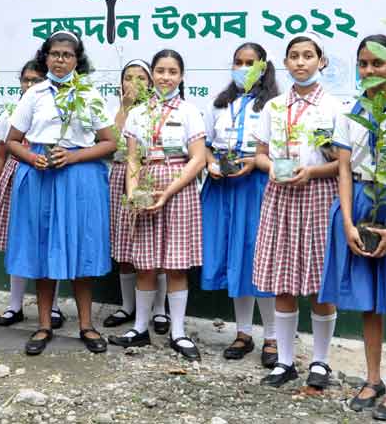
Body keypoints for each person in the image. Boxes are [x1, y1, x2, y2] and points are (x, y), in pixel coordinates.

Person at [319, 35, 386, 419]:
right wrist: (347, 223)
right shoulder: (351, 113)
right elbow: (345, 172)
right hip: (362, 201)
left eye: (378, 64)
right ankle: (372, 378)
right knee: (367, 301)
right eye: (363, 63)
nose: (369, 71)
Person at [3, 31, 116, 355]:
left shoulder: (89, 95)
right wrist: (31, 157)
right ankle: (43, 325)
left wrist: (74, 155)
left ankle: (86, 325)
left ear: (77, 59)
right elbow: (12, 141)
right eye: (55, 54)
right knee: (43, 249)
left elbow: (109, 142)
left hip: (79, 177)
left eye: (67, 55)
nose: (61, 60)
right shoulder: (35, 94)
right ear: (46, 57)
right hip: (41, 177)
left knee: (80, 250)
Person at [253, 34, 342, 388]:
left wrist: (314, 171)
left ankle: (320, 361)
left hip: (319, 195)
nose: (301, 62)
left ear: (322, 61)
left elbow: (344, 164)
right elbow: (260, 153)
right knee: (283, 281)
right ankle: (285, 361)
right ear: (286, 63)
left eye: (308, 56)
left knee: (320, 284)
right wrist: (269, 166)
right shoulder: (274, 107)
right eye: (294, 56)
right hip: (280, 196)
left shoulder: (336, 107)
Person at [109, 49, 207, 360]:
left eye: (172, 72)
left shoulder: (189, 111)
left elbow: (198, 158)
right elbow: (133, 159)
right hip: (146, 188)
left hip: (179, 189)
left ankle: (178, 331)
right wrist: (135, 194)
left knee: (177, 265)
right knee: (145, 262)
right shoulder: (138, 114)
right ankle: (139, 328)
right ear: (152, 75)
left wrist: (168, 192)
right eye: (160, 71)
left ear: (181, 76)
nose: (166, 77)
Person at [200, 43, 280, 367]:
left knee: (259, 259)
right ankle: (244, 333)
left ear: (263, 67)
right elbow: (203, 146)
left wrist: (255, 162)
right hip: (223, 188)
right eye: (238, 62)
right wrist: (211, 164)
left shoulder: (275, 106)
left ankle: (273, 337)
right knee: (235, 258)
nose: (243, 68)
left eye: (250, 63)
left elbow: (282, 151)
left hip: (256, 186)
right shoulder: (219, 104)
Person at [0, 60, 66, 328]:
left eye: (36, 80)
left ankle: (52, 307)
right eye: (25, 80)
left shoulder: (58, 110)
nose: (29, 85)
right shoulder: (12, 112)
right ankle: (14, 305)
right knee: (20, 241)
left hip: (47, 176)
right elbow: (0, 155)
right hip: (16, 178)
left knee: (50, 240)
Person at [104, 60, 170, 334]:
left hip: (152, 177)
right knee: (125, 246)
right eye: (129, 78)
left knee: (156, 245)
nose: (135, 83)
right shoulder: (113, 110)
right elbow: (112, 144)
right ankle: (127, 306)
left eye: (141, 78)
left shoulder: (162, 110)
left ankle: (159, 309)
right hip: (122, 178)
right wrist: (124, 107)